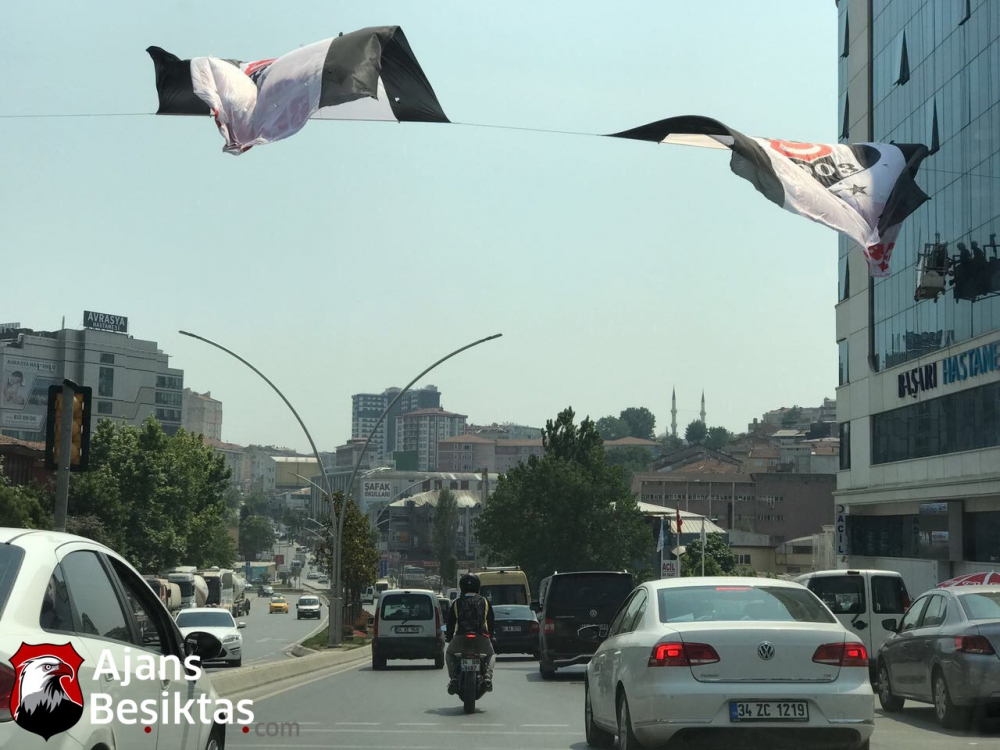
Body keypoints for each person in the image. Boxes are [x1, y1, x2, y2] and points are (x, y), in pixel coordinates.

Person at [446, 573, 496, 695]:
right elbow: (491, 621)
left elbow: (450, 623)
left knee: (449, 653)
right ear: (478, 586)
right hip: (481, 637)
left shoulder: (456, 603)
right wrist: (492, 635)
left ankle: (453, 678)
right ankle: (488, 677)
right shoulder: (485, 601)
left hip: (461, 636)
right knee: (491, 654)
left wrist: (449, 637)